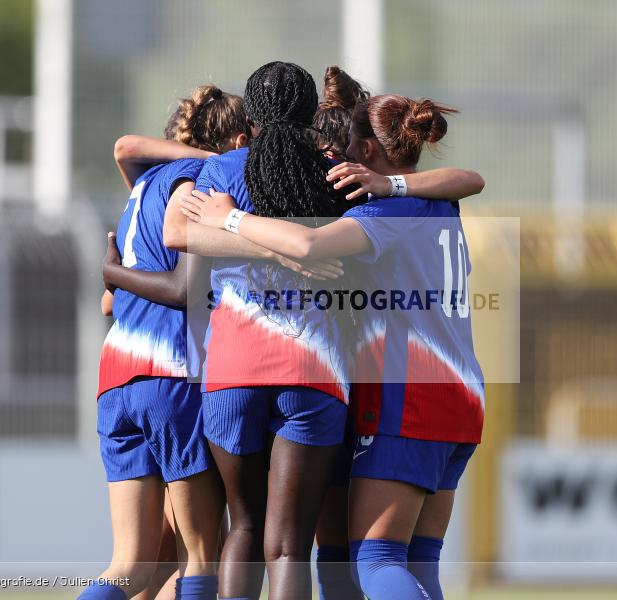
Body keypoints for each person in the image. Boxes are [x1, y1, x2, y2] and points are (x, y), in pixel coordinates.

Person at [180, 92, 485, 600]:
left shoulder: (387, 211)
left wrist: (227, 219)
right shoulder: (437, 197)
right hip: (464, 397)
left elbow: (308, 245)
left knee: (377, 560)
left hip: (412, 394)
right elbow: (472, 178)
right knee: (419, 562)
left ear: (364, 149)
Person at [82, 84, 340, 600]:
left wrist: (111, 271)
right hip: (173, 371)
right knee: (201, 554)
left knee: (133, 562)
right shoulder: (202, 185)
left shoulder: (142, 185)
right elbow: (184, 285)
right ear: (242, 140)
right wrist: (282, 250)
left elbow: (111, 300)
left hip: (115, 372)